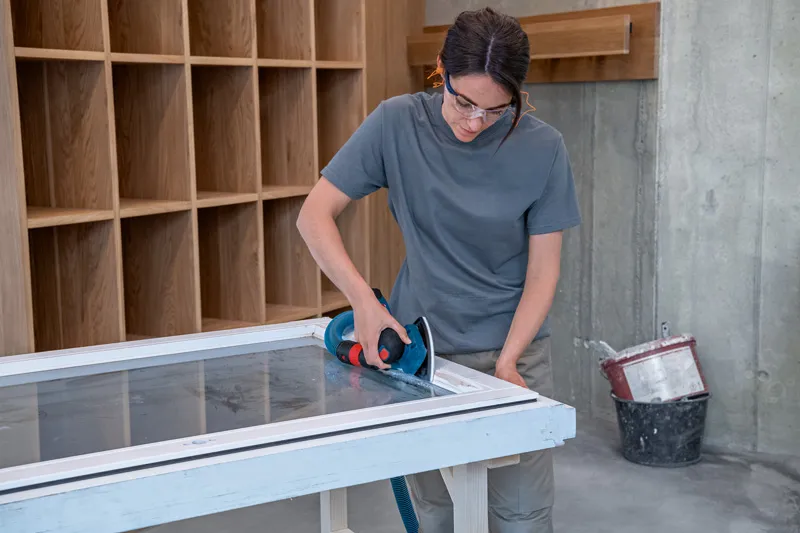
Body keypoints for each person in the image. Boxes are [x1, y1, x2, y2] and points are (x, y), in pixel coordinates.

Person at [297, 6, 581, 533]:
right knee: (435, 514)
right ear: (440, 70)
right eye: (463, 102)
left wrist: (509, 363)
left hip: (514, 353)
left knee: (522, 517)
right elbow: (314, 215)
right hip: (423, 354)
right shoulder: (396, 123)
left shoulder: (544, 148)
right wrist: (364, 301)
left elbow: (544, 272)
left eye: (496, 110)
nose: (474, 122)